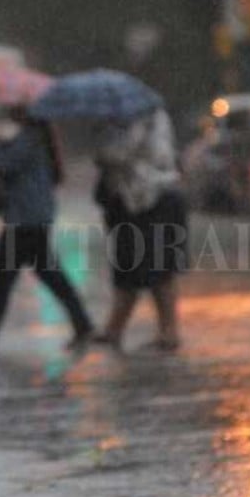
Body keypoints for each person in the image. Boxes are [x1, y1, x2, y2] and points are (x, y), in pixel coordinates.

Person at [0, 106, 95, 353]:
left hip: (24, 221)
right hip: (34, 219)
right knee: (50, 276)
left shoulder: (28, 140)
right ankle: (83, 325)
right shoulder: (40, 139)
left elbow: (4, 165)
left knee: (2, 279)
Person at [91, 108, 188, 351]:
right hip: (132, 203)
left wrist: (104, 150)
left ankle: (169, 331)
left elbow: (123, 152)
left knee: (159, 269)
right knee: (128, 269)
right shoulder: (129, 119)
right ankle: (115, 328)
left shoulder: (145, 118)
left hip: (153, 200)